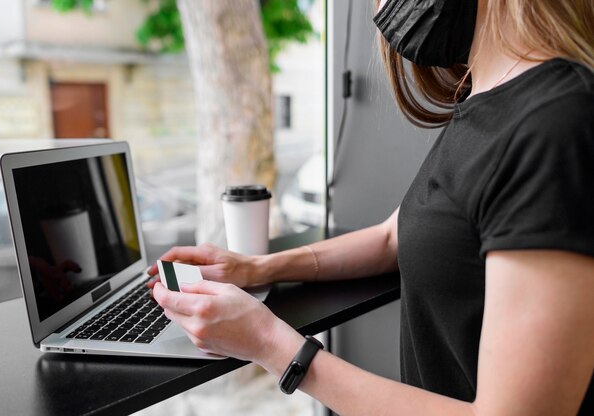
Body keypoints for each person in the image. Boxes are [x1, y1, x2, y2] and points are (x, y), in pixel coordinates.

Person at [147, 0, 594, 414]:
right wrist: (258, 268)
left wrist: (269, 343)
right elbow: (391, 236)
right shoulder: (483, 104)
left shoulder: (554, 125)